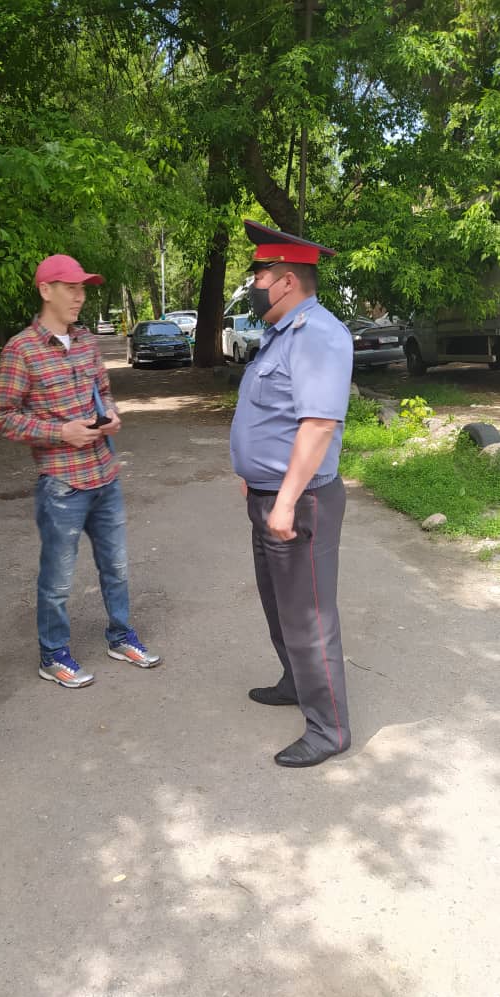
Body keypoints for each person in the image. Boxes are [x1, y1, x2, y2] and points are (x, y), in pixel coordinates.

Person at [0, 253, 161, 688]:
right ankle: (53, 655)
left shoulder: (85, 342)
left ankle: (120, 636)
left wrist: (112, 415)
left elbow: (102, 390)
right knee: (58, 580)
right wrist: (60, 432)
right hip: (62, 484)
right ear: (45, 290)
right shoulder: (21, 350)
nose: (79, 297)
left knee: (117, 568)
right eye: (71, 288)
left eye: (82, 288)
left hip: (106, 474)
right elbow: (3, 417)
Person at [230, 220, 353, 768]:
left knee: (308, 617)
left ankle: (329, 729)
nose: (253, 285)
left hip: (299, 503)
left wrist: (282, 500)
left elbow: (318, 425)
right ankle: (295, 681)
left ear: (285, 281)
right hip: (269, 495)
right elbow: (273, 415)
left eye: (259, 275)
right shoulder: (280, 334)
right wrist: (255, 473)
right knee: (277, 604)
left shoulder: (317, 334)